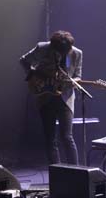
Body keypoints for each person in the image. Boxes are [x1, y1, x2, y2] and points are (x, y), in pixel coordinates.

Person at [19, 30, 81, 165]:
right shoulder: (43, 48)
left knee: (67, 137)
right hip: (45, 96)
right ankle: (57, 172)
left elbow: (78, 75)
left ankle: (77, 172)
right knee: (50, 138)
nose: (63, 54)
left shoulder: (76, 53)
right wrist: (35, 77)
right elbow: (24, 61)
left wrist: (73, 82)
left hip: (66, 98)